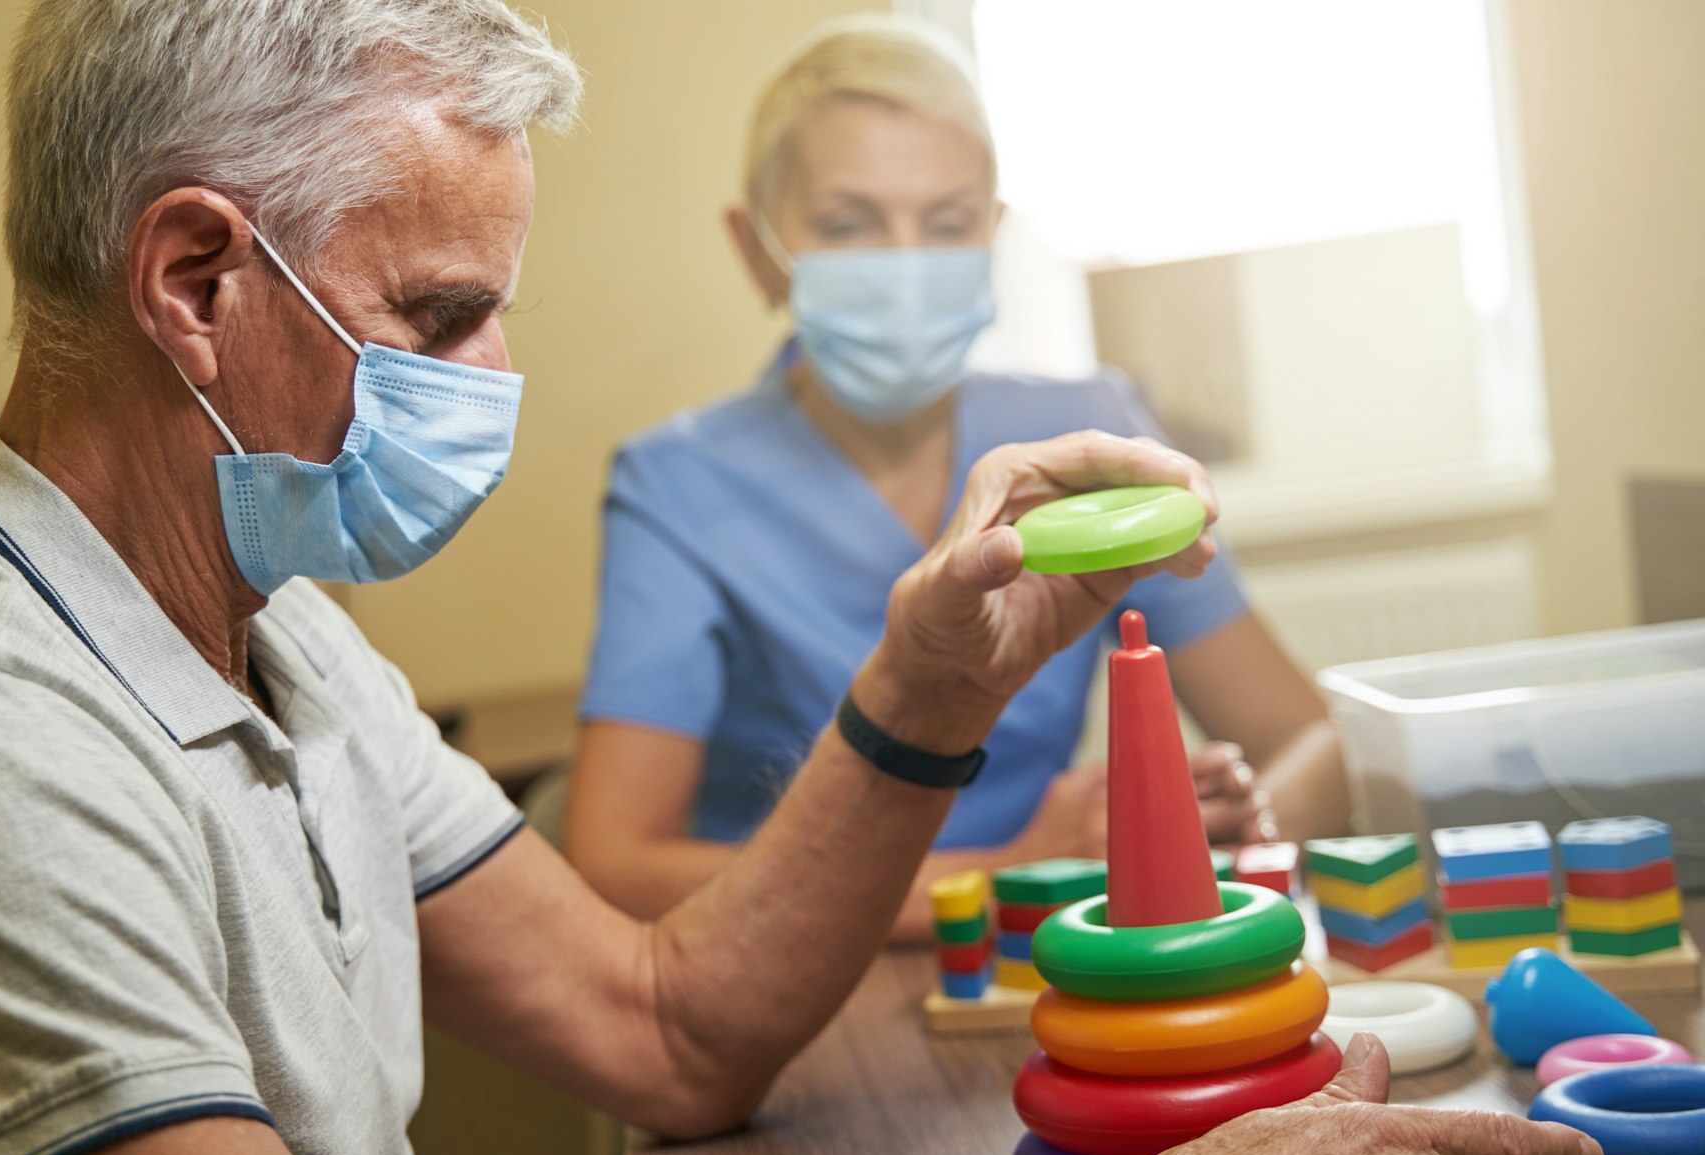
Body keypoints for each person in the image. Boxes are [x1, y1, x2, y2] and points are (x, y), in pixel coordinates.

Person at [0, 2, 1617, 1155]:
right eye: (438, 315)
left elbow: (664, 1025)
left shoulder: (286, 647)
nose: (493, 381)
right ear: (197, 282)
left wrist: (930, 684)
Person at [567, 18, 1350, 937]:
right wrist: (1007, 871)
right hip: (799, 988)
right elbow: (616, 869)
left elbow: (1313, 745)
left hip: (1049, 962)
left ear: (993, 239)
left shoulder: (1088, 441)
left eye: (946, 225)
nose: (906, 265)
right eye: (848, 223)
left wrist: (1202, 838)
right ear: (757, 250)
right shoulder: (676, 487)